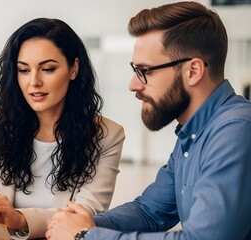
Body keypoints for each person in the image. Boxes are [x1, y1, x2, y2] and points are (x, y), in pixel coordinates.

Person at [46, 2, 251, 240]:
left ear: (193, 71)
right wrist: (83, 223)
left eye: (145, 70)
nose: (133, 84)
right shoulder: (192, 135)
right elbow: (149, 212)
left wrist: (87, 235)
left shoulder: (236, 130)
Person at [0, 17, 125, 239]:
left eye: (47, 69)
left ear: (73, 68)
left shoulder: (107, 136)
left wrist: (20, 219)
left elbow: (84, 215)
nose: (34, 82)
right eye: (24, 70)